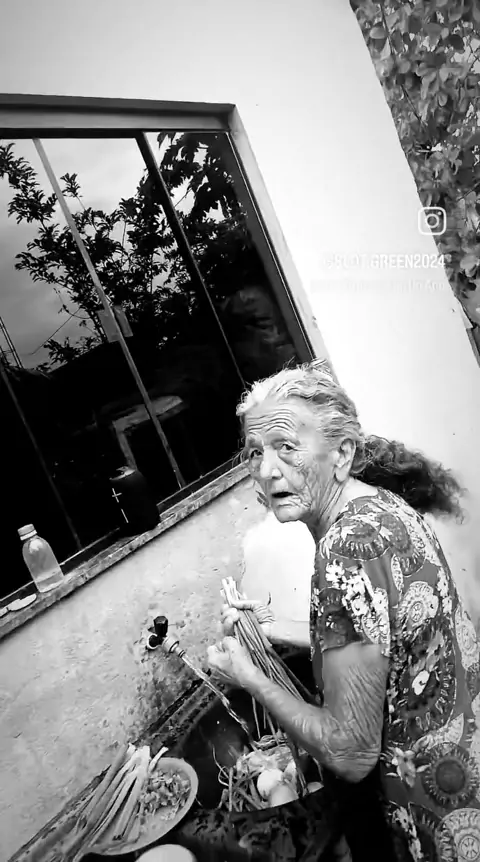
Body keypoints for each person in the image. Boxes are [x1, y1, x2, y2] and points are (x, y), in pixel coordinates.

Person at [207, 362, 480, 862]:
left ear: (342, 453)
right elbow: (385, 639)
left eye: (286, 446)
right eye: (255, 452)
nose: (266, 470)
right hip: (465, 760)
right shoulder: (381, 508)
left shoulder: (344, 554)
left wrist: (249, 677)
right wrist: (271, 627)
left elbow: (351, 752)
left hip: (433, 812)